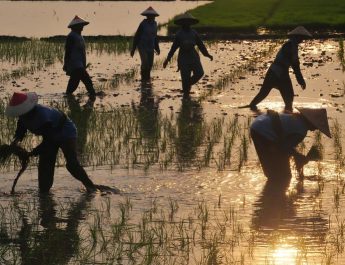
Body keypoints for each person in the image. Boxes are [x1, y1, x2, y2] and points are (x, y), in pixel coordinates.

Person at [5, 92, 97, 193]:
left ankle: (91, 188)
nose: (21, 115)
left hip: (65, 132)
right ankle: (44, 194)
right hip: (51, 135)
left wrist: (32, 153)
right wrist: (12, 147)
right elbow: (19, 134)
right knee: (45, 166)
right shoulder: (23, 118)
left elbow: (49, 140)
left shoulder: (42, 115)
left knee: (72, 164)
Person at [250, 107, 331, 182]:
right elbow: (284, 147)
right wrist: (298, 156)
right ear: (310, 121)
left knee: (275, 169)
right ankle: (273, 191)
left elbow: (285, 146)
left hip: (256, 125)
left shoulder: (293, 117)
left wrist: (296, 157)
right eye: (316, 126)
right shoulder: (301, 131)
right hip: (263, 132)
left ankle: (271, 188)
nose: (316, 129)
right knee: (284, 176)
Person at [248, 26, 312, 112]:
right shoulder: (291, 46)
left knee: (264, 93)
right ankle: (287, 114)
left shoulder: (290, 45)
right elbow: (295, 65)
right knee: (287, 95)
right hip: (279, 73)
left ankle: (252, 107)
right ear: (297, 37)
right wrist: (300, 80)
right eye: (302, 38)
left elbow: (294, 64)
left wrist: (300, 79)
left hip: (274, 71)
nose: (302, 40)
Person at [163, 13, 213, 97]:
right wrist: (167, 59)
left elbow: (201, 45)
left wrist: (207, 54)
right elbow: (173, 48)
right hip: (183, 57)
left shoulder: (194, 33)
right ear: (182, 23)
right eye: (185, 22)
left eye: (188, 22)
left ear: (191, 23)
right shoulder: (179, 34)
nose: (187, 24)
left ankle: (188, 84)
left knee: (199, 73)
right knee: (185, 76)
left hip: (193, 56)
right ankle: (186, 101)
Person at [63, 16, 96, 98]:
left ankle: (68, 96)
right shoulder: (71, 37)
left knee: (74, 82)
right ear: (75, 27)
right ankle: (93, 95)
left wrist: (84, 64)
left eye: (82, 26)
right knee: (87, 80)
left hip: (80, 64)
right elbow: (68, 51)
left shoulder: (79, 36)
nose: (82, 28)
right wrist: (66, 64)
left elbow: (82, 52)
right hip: (75, 64)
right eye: (80, 26)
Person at [130, 7, 160, 85]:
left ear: (154, 16)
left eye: (152, 16)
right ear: (147, 16)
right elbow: (137, 36)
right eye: (149, 16)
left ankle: (147, 78)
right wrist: (133, 49)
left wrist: (157, 48)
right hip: (142, 45)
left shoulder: (155, 24)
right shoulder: (143, 24)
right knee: (145, 62)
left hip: (151, 46)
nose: (151, 17)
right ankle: (143, 78)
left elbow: (155, 36)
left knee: (150, 64)